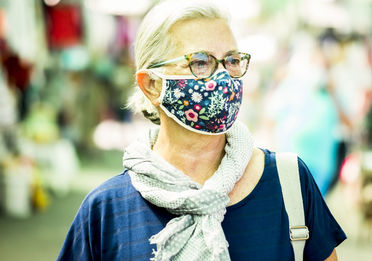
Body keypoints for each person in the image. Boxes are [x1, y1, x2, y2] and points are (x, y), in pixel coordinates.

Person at [57, 1, 346, 260]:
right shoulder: (106, 211)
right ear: (152, 85)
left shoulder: (288, 183)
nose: (223, 77)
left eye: (232, 60)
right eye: (201, 62)